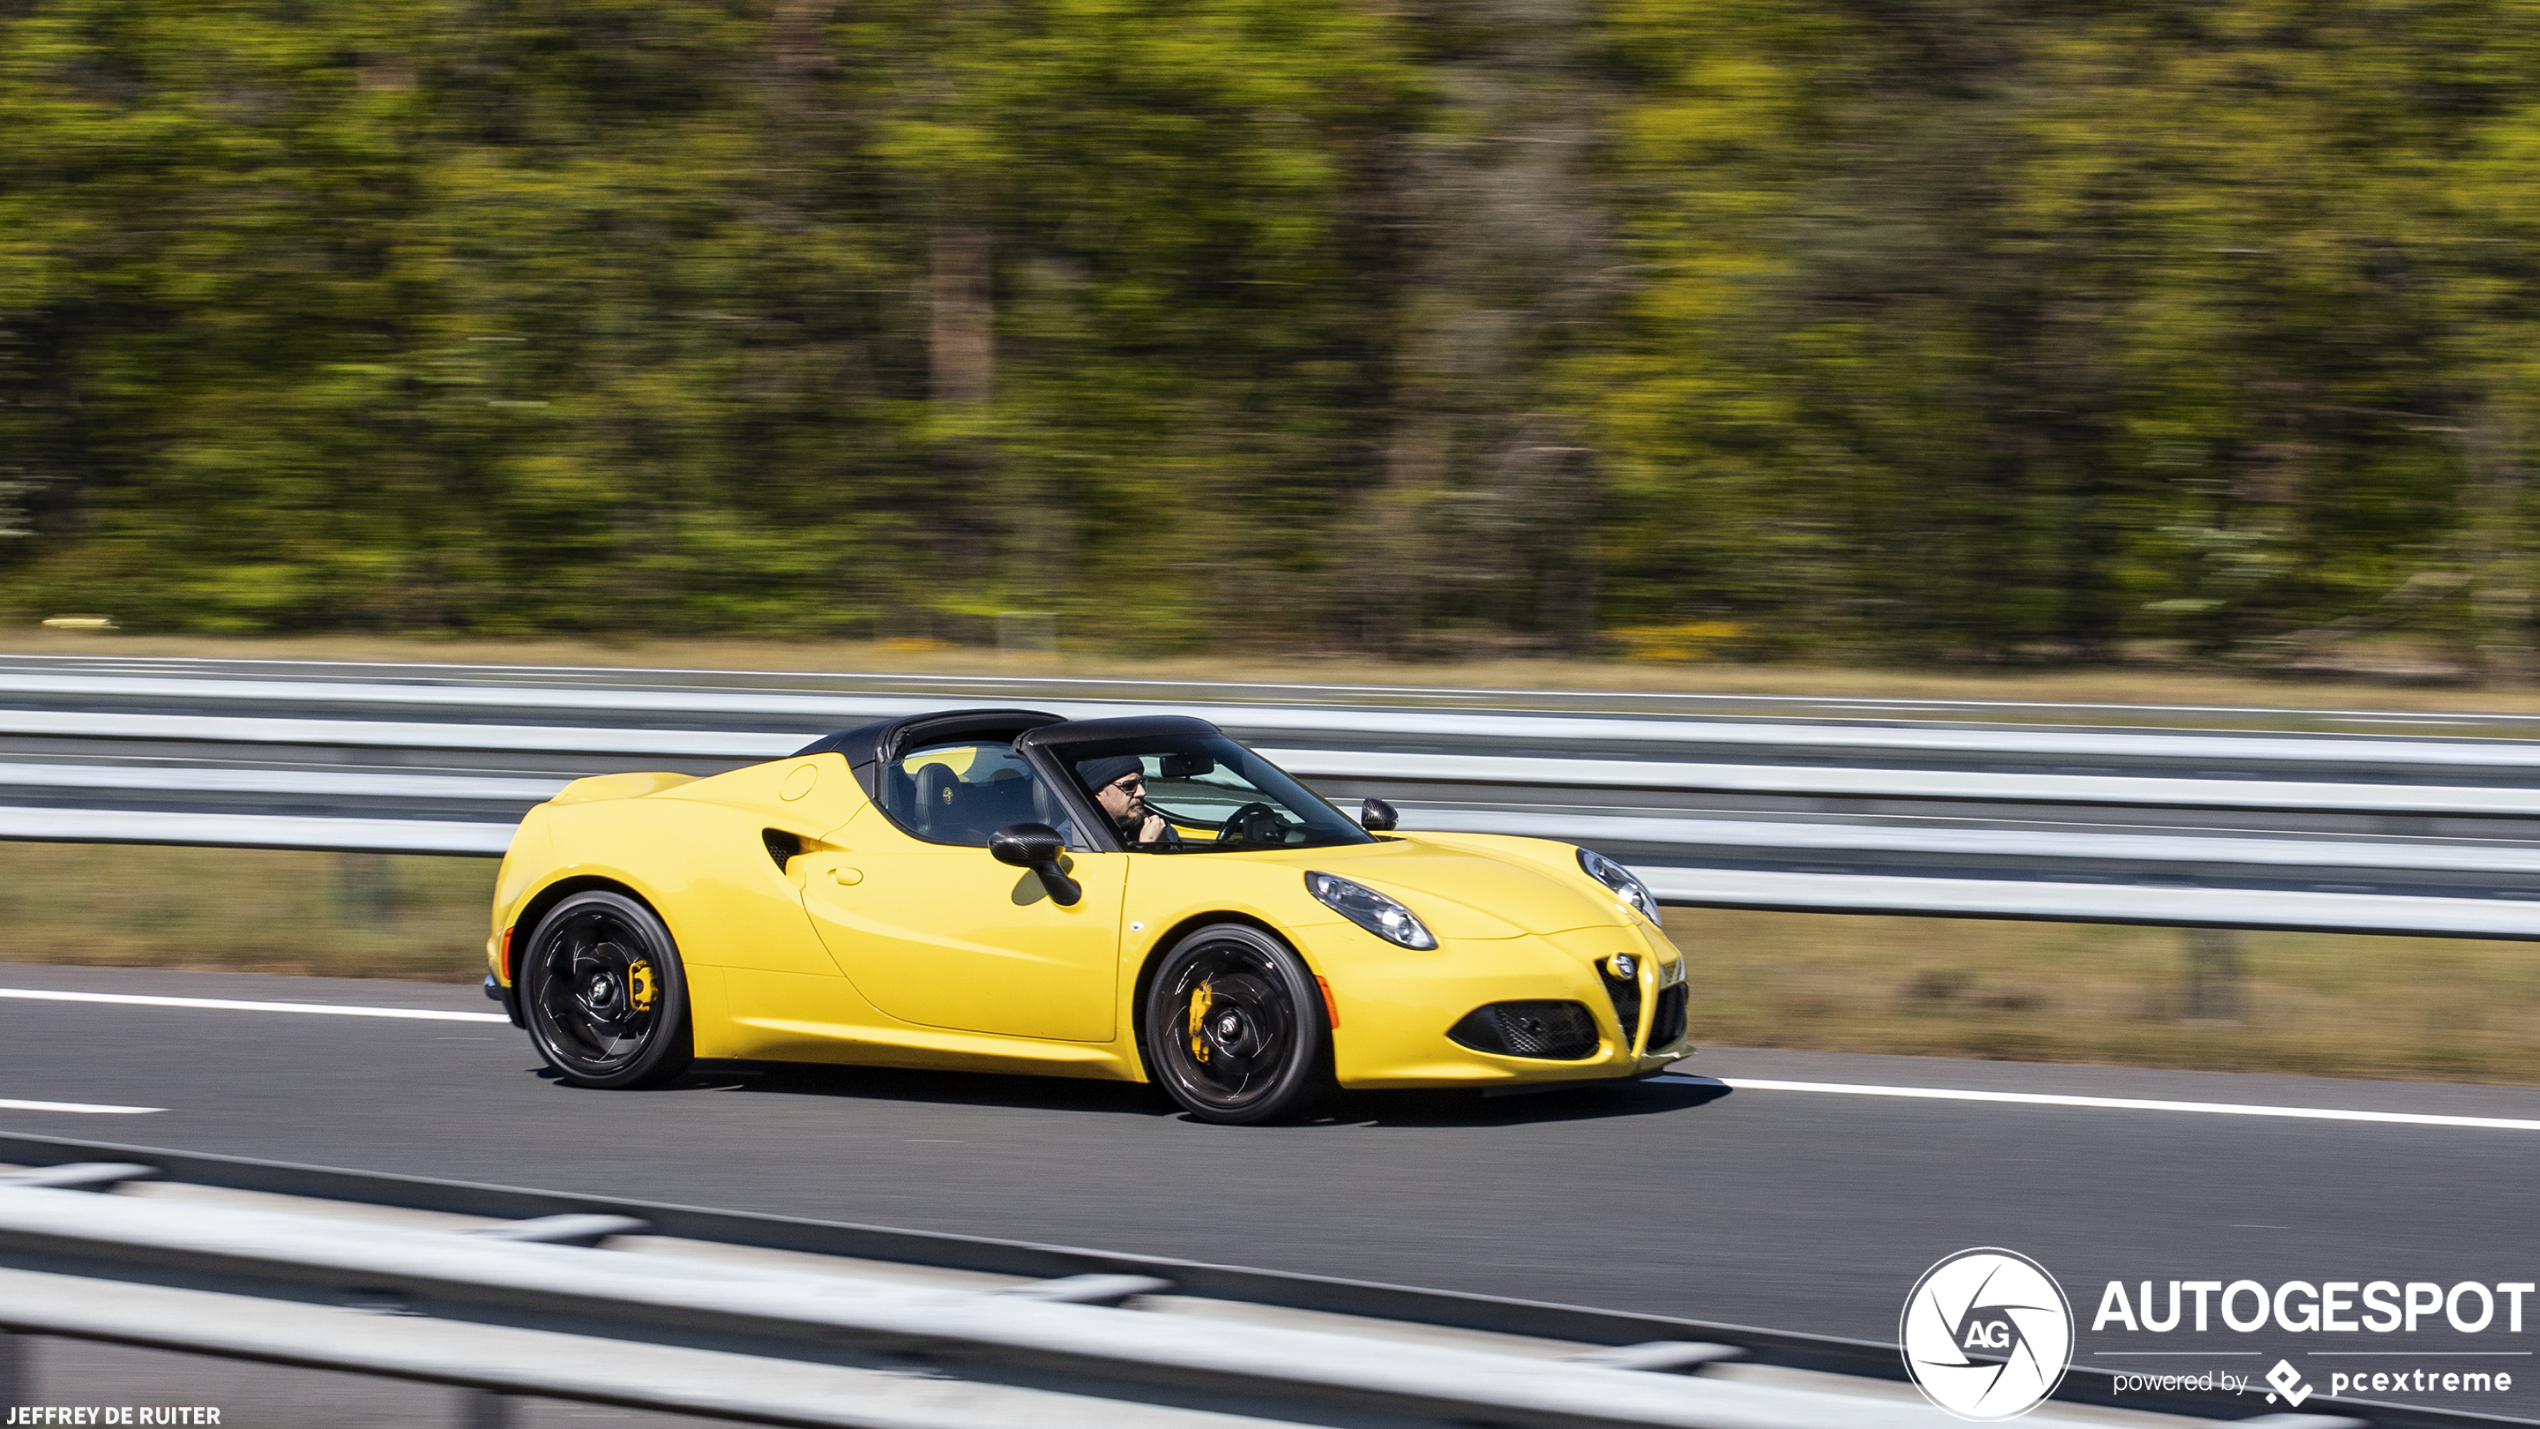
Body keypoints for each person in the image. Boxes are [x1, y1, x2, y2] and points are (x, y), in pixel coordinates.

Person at [1063, 754, 1178, 848]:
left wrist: (1164, 846)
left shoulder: (1157, 826)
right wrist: (1148, 847)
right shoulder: (1072, 841)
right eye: (1129, 786)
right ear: (1097, 792)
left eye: (1141, 783)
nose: (1142, 792)